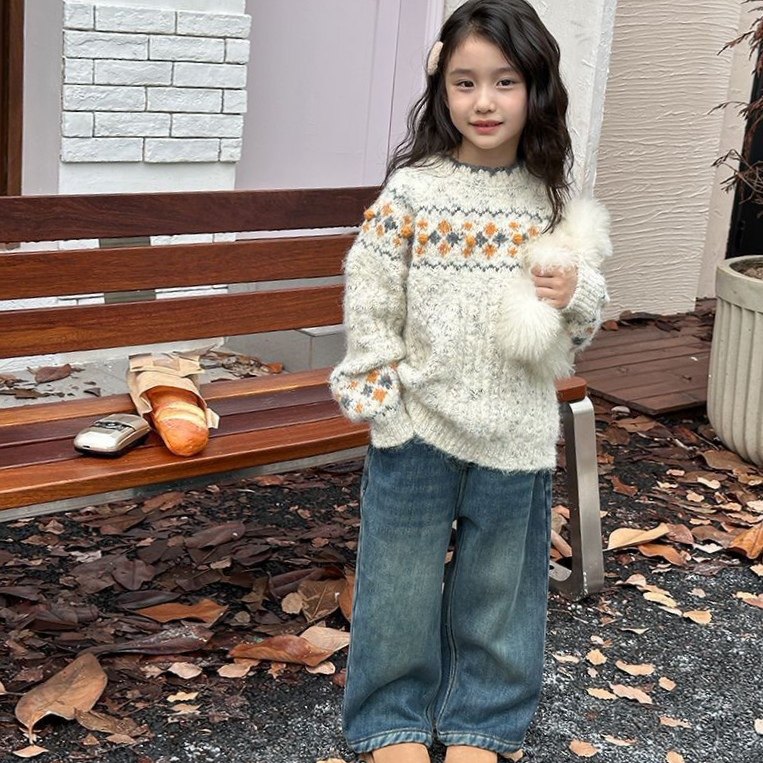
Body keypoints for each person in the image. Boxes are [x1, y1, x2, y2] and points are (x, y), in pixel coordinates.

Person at [329, 1, 610, 761]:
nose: (483, 101)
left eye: (504, 81)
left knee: (500, 590)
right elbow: (371, 297)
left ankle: (483, 721)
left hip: (515, 426)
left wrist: (575, 293)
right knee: (397, 585)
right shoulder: (413, 193)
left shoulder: (550, 199)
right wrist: (383, 402)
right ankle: (389, 720)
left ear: (536, 87)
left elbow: (574, 331)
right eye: (464, 82)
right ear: (442, 89)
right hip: (417, 424)